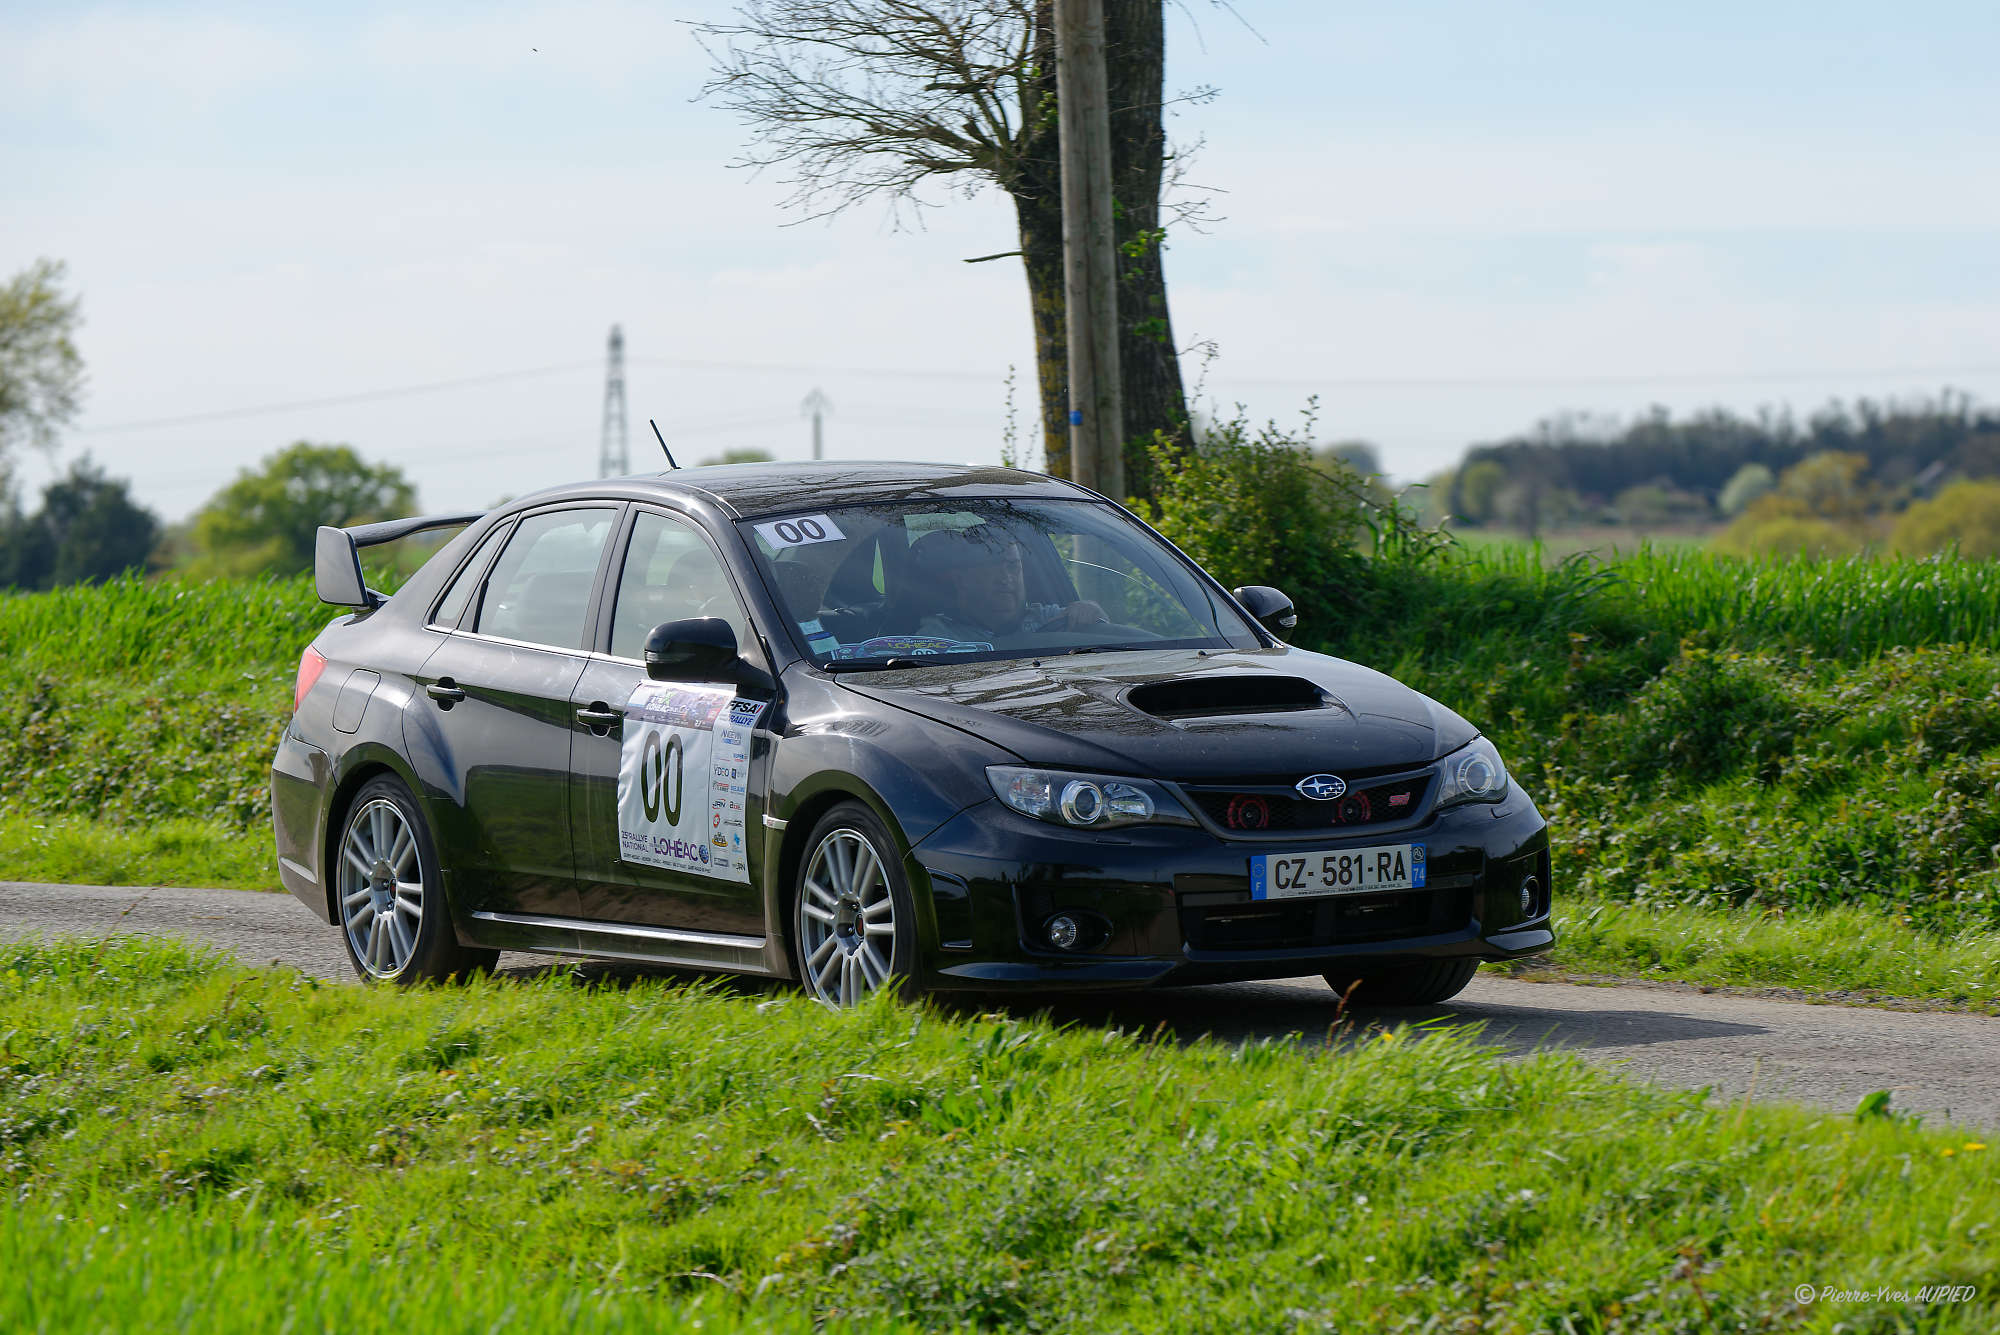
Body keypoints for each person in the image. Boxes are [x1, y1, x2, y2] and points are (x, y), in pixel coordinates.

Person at [910, 524, 1106, 642]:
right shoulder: (938, 639)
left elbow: (1106, 638)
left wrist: (1090, 611)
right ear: (962, 579)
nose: (1005, 578)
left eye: (1012, 566)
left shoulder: (1050, 619)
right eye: (990, 567)